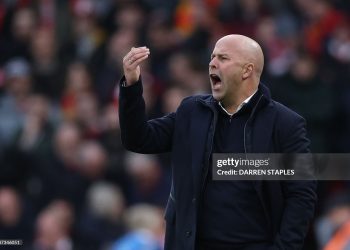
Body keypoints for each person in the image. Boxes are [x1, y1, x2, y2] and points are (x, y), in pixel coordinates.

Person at [118, 34, 317, 250]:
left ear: (247, 70)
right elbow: (139, 139)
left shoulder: (285, 123)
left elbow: (301, 194)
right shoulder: (192, 111)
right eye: (212, 57)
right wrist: (132, 85)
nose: (212, 63)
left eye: (223, 58)